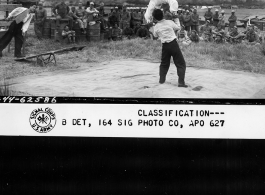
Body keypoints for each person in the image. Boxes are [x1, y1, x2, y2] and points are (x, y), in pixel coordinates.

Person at [152, 9, 188, 87]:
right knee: (181, 63)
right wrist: (176, 19)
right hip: (173, 44)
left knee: (164, 63)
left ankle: (161, 80)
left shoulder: (156, 26)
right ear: (163, 14)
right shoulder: (170, 22)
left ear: (155, 17)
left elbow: (155, 35)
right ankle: (181, 82)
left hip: (165, 46)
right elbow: (178, 28)